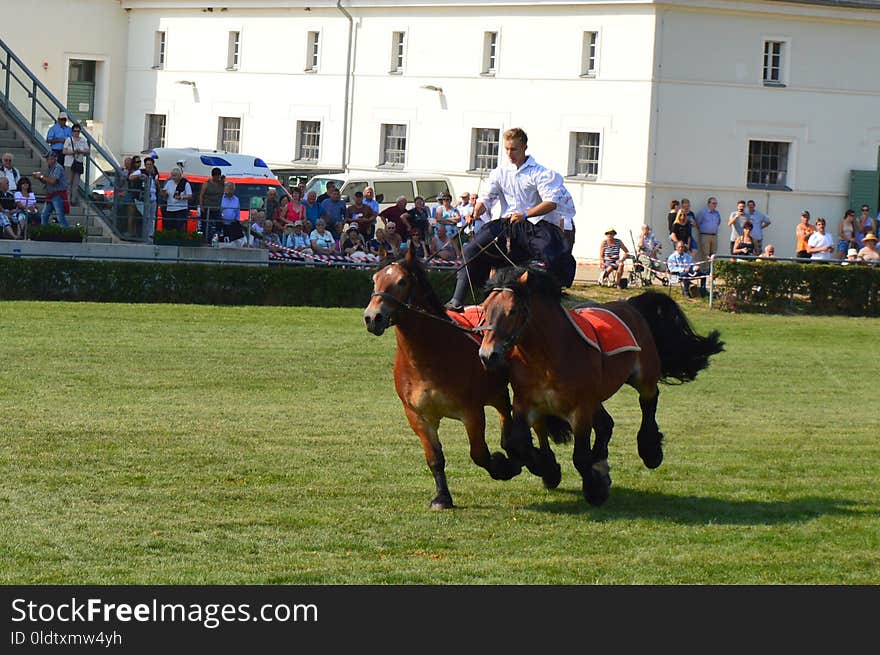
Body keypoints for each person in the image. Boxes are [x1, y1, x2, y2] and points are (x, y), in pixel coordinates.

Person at [444, 127, 575, 311]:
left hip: (534, 224)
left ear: (524, 147)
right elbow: (486, 199)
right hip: (506, 224)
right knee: (472, 249)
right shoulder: (500, 172)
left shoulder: (541, 173)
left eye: (513, 149)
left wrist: (525, 214)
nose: (509, 153)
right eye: (506, 149)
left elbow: (551, 203)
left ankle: (551, 301)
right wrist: (475, 212)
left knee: (552, 254)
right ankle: (458, 300)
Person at [33, 151, 69, 227]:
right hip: (51, 195)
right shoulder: (50, 168)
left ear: (53, 159)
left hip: (58, 195)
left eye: (48, 159)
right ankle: (44, 232)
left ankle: (68, 233)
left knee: (60, 217)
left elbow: (53, 181)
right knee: (44, 215)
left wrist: (41, 176)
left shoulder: (58, 167)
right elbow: (46, 181)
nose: (47, 160)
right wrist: (39, 177)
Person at [61, 123, 89, 205]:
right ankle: (67, 200)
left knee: (76, 183)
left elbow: (87, 150)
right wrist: (73, 151)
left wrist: (80, 151)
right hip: (69, 163)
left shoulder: (83, 140)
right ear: (72, 132)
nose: (76, 132)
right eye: (74, 131)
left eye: (78, 131)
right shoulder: (69, 140)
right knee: (68, 182)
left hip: (78, 163)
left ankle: (73, 200)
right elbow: (64, 151)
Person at [158, 166, 192, 232]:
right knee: (169, 227)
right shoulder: (169, 183)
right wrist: (163, 193)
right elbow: (165, 195)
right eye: (172, 175)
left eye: (175, 175)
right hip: (170, 208)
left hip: (181, 209)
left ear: (180, 175)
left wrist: (181, 197)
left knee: (179, 227)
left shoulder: (185, 183)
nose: (173, 177)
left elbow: (190, 195)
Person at [199, 167, 225, 240]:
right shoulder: (206, 184)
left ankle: (217, 237)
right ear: (213, 176)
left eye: (219, 176)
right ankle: (204, 238)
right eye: (216, 176)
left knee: (219, 223)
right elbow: (201, 195)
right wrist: (201, 206)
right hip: (207, 207)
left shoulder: (221, 184)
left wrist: (223, 180)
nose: (218, 178)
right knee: (205, 224)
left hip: (217, 208)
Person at [218, 181, 245, 246]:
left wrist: (237, 222)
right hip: (221, 223)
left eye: (231, 189)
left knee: (231, 242)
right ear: (225, 189)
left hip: (232, 225)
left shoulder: (236, 199)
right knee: (221, 241)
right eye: (228, 189)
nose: (230, 191)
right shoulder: (220, 198)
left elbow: (237, 212)